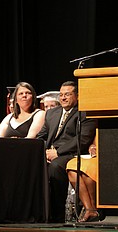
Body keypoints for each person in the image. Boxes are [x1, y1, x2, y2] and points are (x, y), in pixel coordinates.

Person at [37, 81, 96, 223]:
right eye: (61, 95)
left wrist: (57, 152)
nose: (63, 98)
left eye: (67, 94)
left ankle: (57, 214)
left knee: (55, 167)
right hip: (50, 153)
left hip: (71, 153)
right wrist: (43, 151)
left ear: (77, 96)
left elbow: (83, 139)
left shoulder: (85, 113)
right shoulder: (51, 113)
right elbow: (42, 136)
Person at [66, 140, 101, 222]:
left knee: (86, 169)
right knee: (72, 167)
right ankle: (88, 208)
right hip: (91, 155)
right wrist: (92, 146)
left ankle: (94, 207)